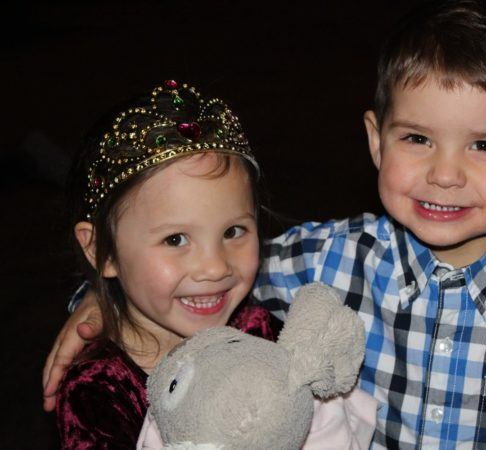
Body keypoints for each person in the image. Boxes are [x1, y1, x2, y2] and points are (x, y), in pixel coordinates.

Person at [43, 2, 486, 448]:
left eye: (483, 146)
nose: (444, 174)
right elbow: (203, 275)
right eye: (418, 138)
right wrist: (99, 306)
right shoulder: (328, 257)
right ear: (376, 141)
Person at [52, 81, 375, 448]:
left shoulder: (261, 331)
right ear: (101, 252)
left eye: (234, 231)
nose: (214, 267)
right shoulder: (98, 392)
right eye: (175, 239)